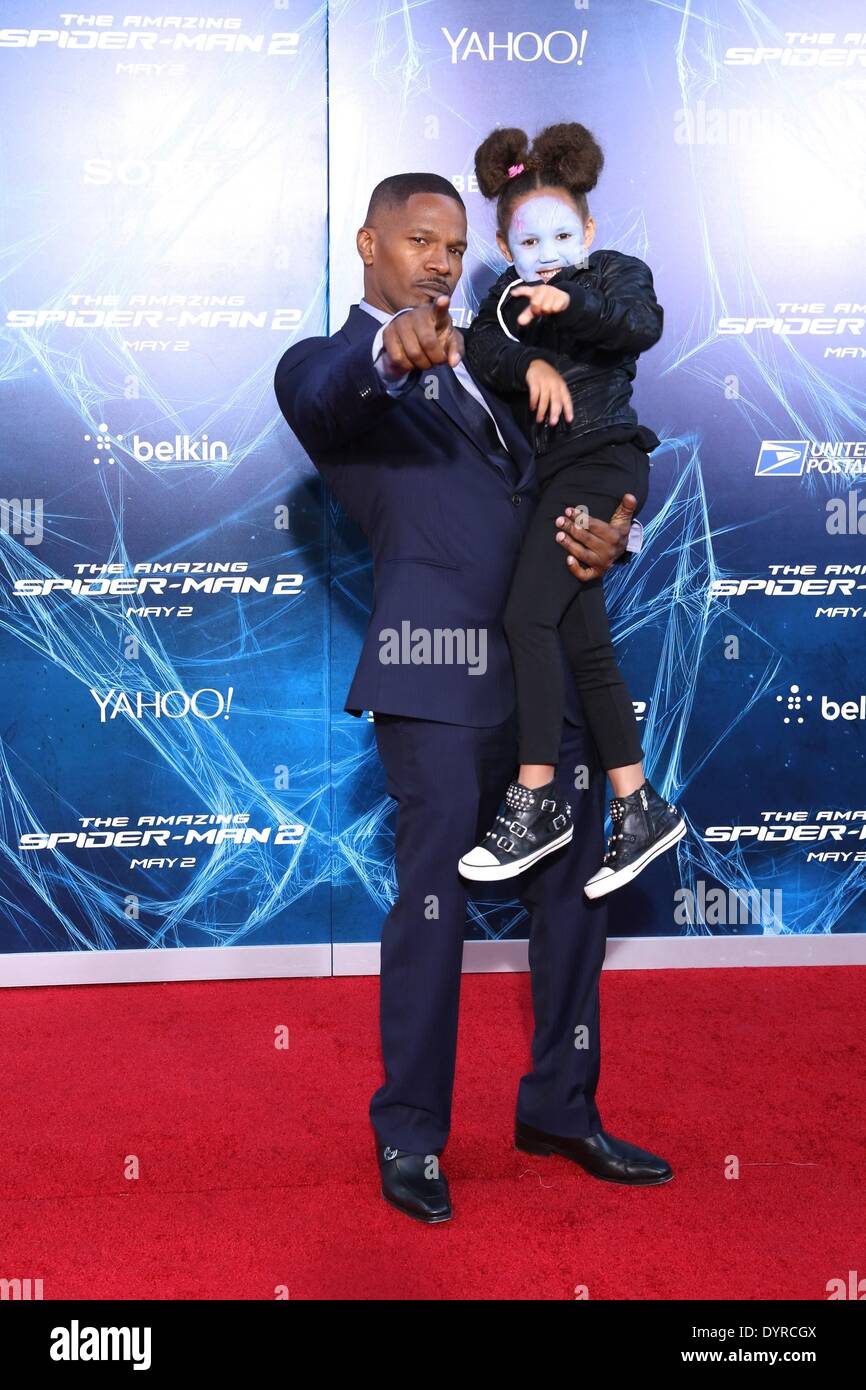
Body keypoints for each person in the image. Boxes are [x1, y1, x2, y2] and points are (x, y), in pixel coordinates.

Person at [273, 172, 673, 1224]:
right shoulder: (328, 369)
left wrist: (609, 531)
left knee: (577, 892)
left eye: (454, 245)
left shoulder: (493, 366)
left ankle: (558, 1105)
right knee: (433, 909)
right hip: (432, 674)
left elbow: (577, 460)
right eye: (419, 242)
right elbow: (327, 394)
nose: (442, 262)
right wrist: (385, 344)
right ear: (369, 245)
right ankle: (409, 1130)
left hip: (539, 672)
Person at [458, 123, 686, 899]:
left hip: (602, 464)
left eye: (562, 234)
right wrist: (532, 358)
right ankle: (638, 806)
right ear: (503, 242)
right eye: (528, 242)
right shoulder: (504, 303)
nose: (546, 251)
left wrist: (571, 300)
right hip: (556, 483)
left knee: (526, 620)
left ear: (588, 231)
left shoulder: (617, 274)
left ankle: (537, 800)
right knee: (583, 642)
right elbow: (484, 351)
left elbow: (639, 325)